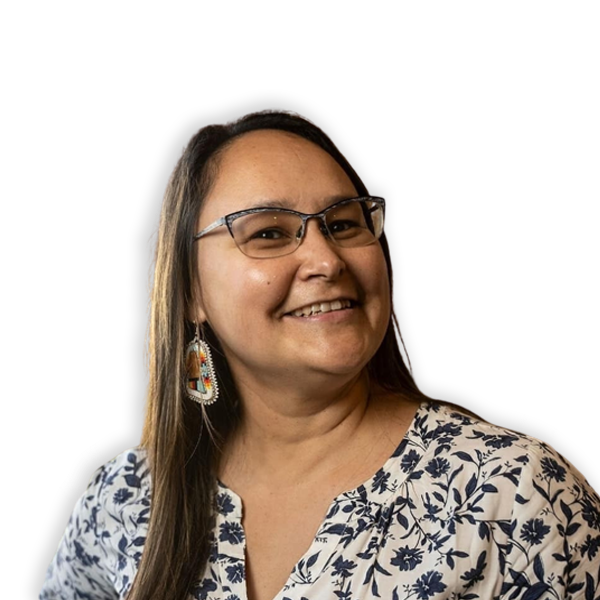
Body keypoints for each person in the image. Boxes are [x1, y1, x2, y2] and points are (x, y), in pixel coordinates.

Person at [39, 108, 599, 600]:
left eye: (344, 223)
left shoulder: (515, 493)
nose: (327, 260)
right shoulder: (124, 498)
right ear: (191, 291)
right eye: (268, 233)